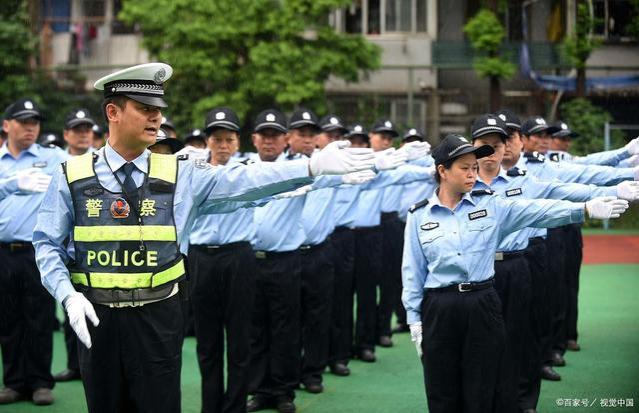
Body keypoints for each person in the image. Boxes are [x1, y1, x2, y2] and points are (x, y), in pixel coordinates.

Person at [32, 63, 376, 413]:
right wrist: (67, 296)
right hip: (95, 316)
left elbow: (245, 182)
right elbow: (47, 244)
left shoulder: (180, 172)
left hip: (159, 317)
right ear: (113, 112)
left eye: (159, 110)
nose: (156, 119)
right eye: (145, 109)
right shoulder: (71, 176)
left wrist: (309, 168)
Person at [402, 133, 629, 413]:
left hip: (482, 303)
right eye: (465, 168)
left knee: (483, 388)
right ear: (442, 171)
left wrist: (583, 209)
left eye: (475, 167)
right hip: (440, 307)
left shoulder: (491, 205)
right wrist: (415, 320)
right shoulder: (419, 216)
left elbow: (536, 210)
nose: (473, 173)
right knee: (441, 391)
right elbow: (412, 271)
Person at [0, 98, 65, 406]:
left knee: (39, 318)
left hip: (37, 251)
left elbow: (87, 165)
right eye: (24, 121)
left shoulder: (51, 158)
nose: (30, 128)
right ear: (6, 125)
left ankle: (40, 382)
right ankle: (14, 382)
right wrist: (10, 183)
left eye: (35, 122)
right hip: (2, 252)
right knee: (8, 319)